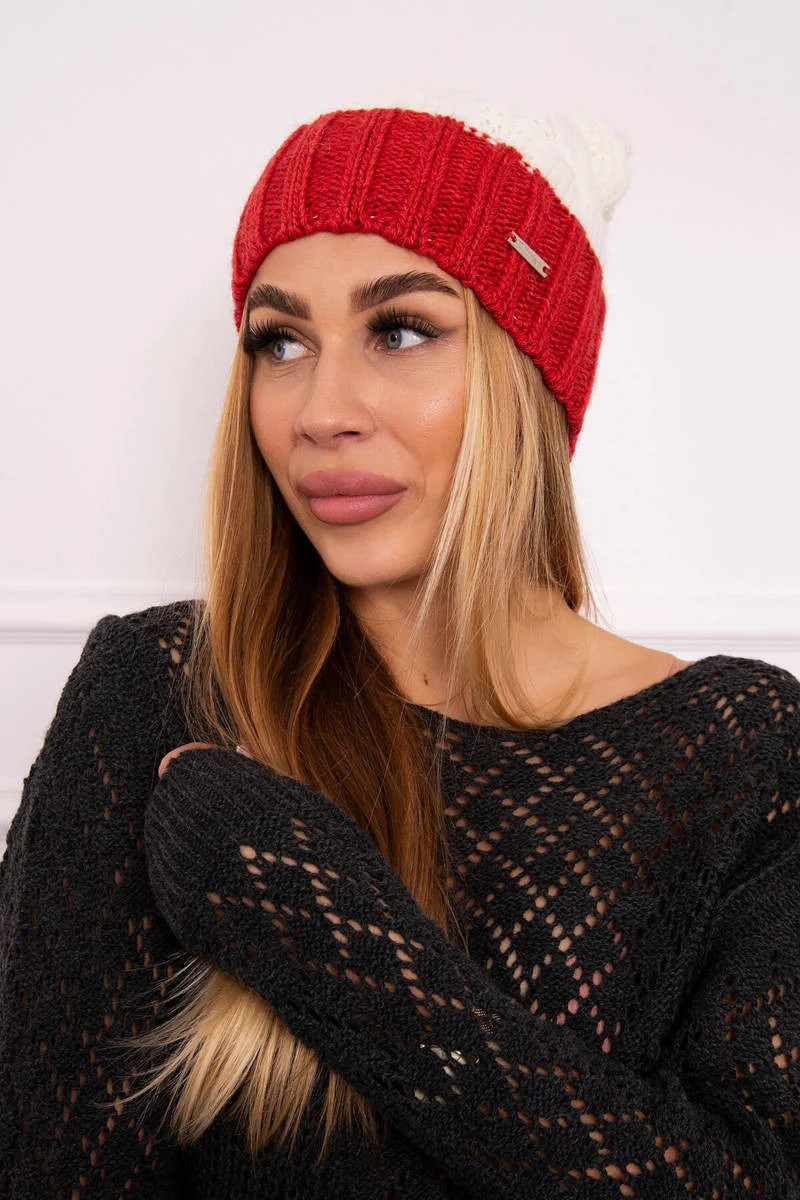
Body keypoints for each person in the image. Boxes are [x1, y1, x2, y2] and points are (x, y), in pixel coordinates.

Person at [1, 91, 799, 1200]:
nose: (320, 410)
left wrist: (325, 932)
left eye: (401, 330)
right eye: (280, 342)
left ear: (530, 374)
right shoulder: (160, 692)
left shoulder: (743, 752)